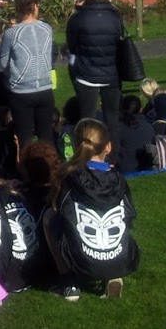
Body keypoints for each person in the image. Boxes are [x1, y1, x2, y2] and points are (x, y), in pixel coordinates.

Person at [43, 118, 140, 301]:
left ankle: (69, 283)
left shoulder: (69, 177)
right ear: (108, 147)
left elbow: (59, 210)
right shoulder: (118, 179)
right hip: (120, 255)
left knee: (49, 216)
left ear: (75, 144)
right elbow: (129, 216)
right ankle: (112, 273)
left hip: (81, 256)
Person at [65, 0, 125, 149]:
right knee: (112, 118)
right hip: (111, 73)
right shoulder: (115, 16)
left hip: (86, 73)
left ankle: (87, 155)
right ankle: (112, 156)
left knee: (88, 120)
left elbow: (72, 46)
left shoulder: (77, 19)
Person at [0, 0, 56, 157]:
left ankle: (28, 173)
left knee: (25, 137)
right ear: (35, 6)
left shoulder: (11, 33)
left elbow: (3, 63)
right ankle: (51, 171)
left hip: (21, 90)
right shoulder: (47, 28)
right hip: (45, 88)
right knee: (47, 136)